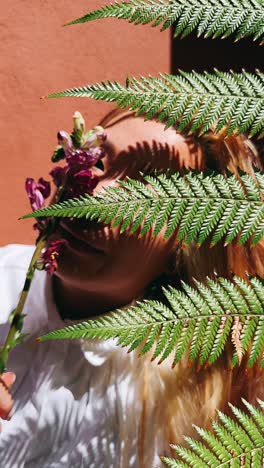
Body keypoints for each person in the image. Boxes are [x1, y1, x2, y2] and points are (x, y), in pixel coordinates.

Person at [0, 109, 263, 467]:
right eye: (96, 161)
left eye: (146, 193)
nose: (94, 200)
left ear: (187, 244)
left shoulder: (192, 409)